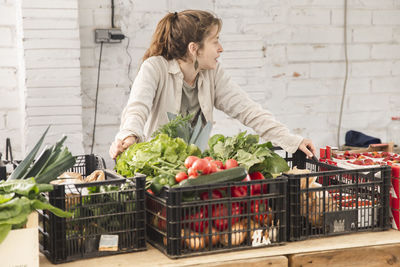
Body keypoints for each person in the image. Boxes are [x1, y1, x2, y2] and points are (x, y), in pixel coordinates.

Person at [109, 10, 316, 159]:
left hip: (196, 169)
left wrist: (290, 140)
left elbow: (248, 110)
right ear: (194, 48)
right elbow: (137, 108)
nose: (221, 48)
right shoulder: (155, 68)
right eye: (215, 41)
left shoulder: (212, 74)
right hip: (158, 169)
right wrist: (129, 135)